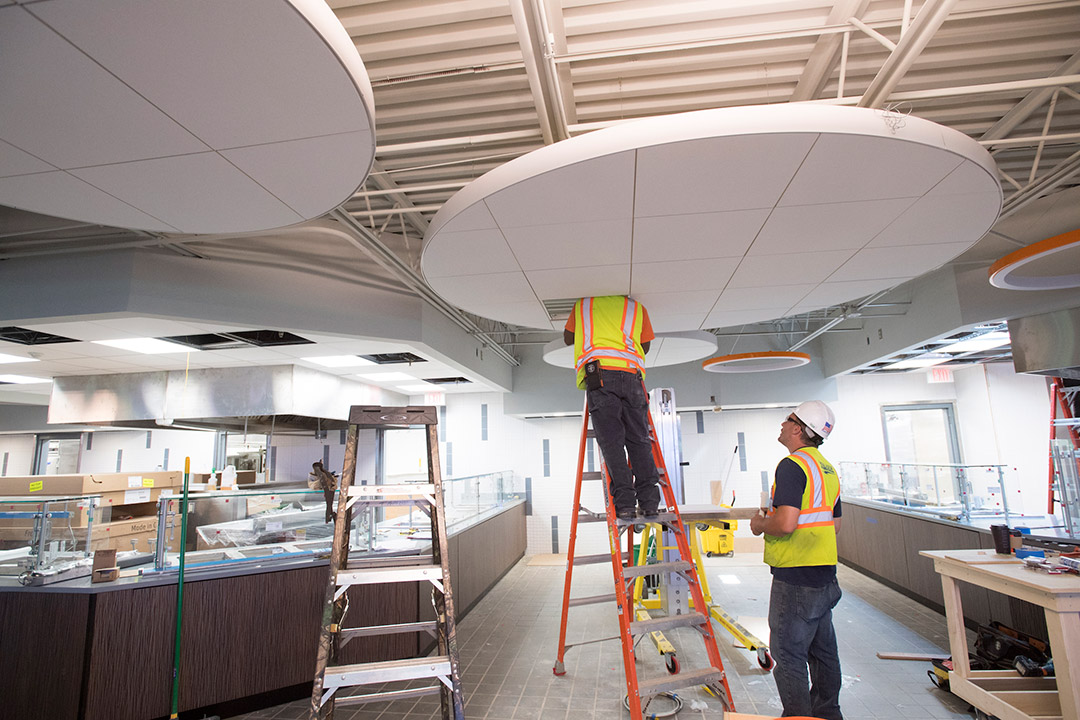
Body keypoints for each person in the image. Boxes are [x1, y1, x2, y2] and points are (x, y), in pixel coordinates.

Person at [750, 400, 843, 720]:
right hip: (824, 575)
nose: (782, 424)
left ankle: (797, 717)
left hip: (795, 577)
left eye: (787, 420)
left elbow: (786, 523)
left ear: (798, 429)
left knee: (788, 654)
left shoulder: (791, 466)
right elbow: (835, 524)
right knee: (823, 652)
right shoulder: (827, 469)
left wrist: (760, 524)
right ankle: (828, 714)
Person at [563, 295, 661, 521]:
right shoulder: (636, 307)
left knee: (612, 442)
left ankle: (625, 504)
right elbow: (644, 345)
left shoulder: (584, 305)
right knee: (639, 440)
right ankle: (649, 503)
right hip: (631, 375)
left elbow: (569, 338)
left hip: (600, 375)